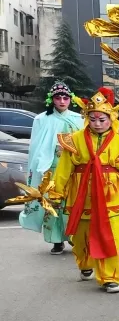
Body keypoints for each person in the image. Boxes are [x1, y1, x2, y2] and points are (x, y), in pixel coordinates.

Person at [51, 87, 119, 291]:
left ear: (111, 119)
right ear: (87, 119)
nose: (98, 124)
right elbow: (64, 169)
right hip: (81, 194)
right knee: (80, 239)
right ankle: (85, 263)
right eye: (93, 120)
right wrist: (56, 191)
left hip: (111, 195)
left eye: (102, 119)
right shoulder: (75, 140)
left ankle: (111, 278)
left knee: (111, 238)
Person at [19, 82, 84, 255]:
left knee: (73, 203)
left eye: (65, 97)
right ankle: (56, 240)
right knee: (53, 204)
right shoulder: (41, 119)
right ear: (52, 100)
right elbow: (36, 145)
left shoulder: (79, 119)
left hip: (74, 168)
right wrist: (39, 165)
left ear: (71, 100)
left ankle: (74, 237)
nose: (62, 101)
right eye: (58, 97)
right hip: (51, 168)